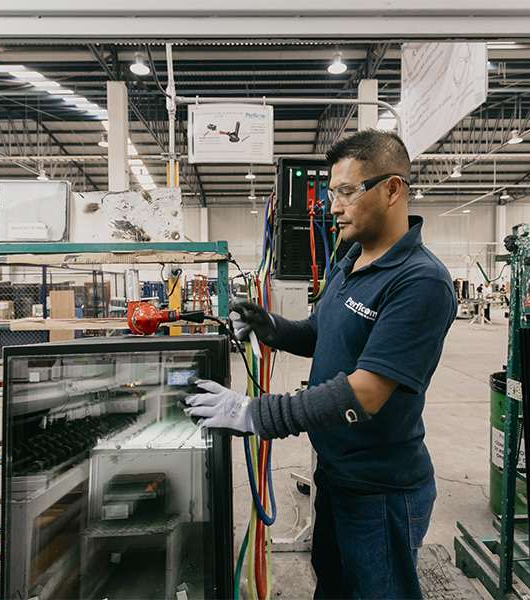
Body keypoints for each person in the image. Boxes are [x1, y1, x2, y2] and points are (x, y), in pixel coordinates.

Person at [182, 129, 457, 599]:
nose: (334, 207)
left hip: (380, 491)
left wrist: (254, 414)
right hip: (334, 477)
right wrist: (272, 327)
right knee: (332, 587)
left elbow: (365, 393)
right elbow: (320, 333)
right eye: (332, 194)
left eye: (347, 192)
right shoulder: (350, 261)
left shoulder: (421, 281)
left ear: (392, 190)